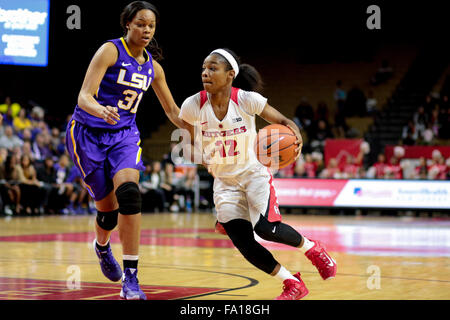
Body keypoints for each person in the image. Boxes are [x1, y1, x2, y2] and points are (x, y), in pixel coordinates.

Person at [177, 48, 337, 300]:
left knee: (265, 229)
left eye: (212, 68)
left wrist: (297, 142)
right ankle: (292, 283)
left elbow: (286, 122)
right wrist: (200, 156)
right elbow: (186, 142)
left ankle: (313, 249)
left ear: (230, 75)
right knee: (244, 244)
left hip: (253, 174)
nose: (205, 73)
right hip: (224, 181)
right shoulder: (192, 105)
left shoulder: (246, 99)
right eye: (204, 68)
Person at [65, 1, 184, 300]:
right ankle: (102, 247)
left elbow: (172, 110)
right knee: (108, 212)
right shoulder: (110, 51)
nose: (146, 30)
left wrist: (201, 132)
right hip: (87, 134)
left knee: (129, 194)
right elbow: (83, 96)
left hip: (124, 135)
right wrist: (100, 109)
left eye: (151, 25)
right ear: (127, 24)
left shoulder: (153, 68)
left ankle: (131, 278)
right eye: (141, 23)